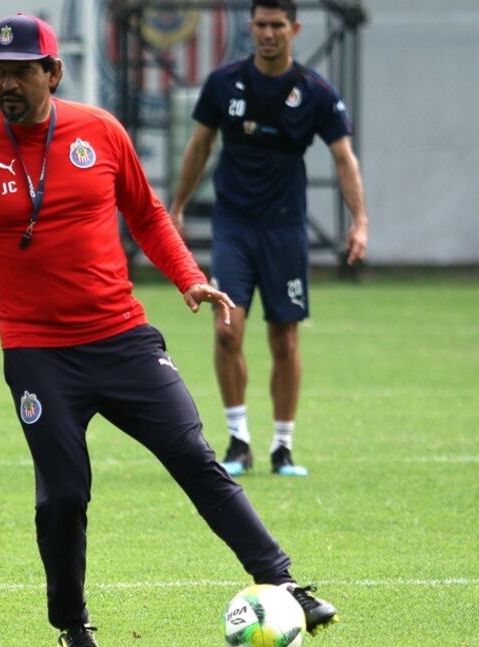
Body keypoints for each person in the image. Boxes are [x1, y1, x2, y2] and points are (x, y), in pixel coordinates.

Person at [0, 12, 337, 647]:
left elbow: (146, 214)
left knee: (197, 459)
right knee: (64, 494)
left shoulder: (99, 133)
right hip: (38, 357)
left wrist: (188, 279)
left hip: (122, 341)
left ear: (51, 73)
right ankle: (74, 627)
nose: (7, 83)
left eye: (21, 71)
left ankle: (283, 582)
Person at [169, 0, 369, 478]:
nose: (268, 33)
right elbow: (200, 145)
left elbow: (344, 159)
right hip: (234, 227)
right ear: (252, 28)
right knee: (226, 330)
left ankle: (283, 446)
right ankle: (239, 440)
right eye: (260, 24)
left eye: (278, 25)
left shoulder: (315, 92)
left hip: (284, 231)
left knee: (284, 338)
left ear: (294, 29)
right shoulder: (224, 84)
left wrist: (359, 221)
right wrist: (175, 207)